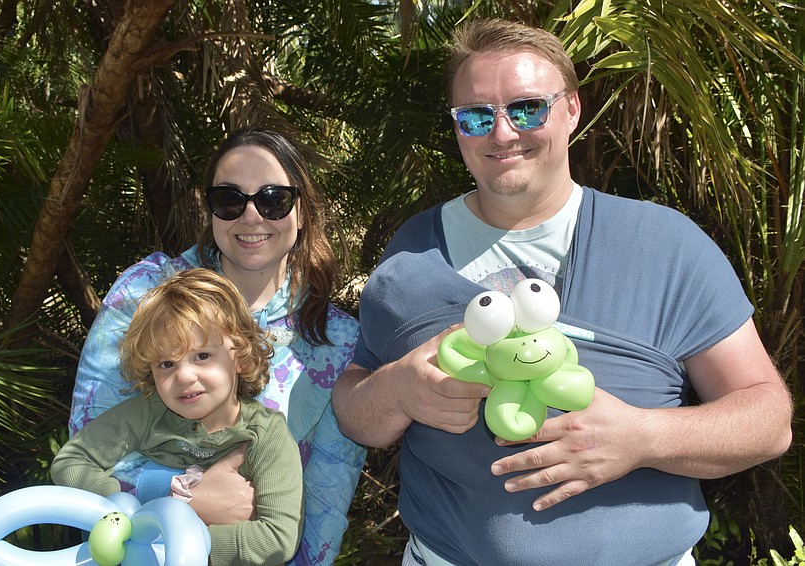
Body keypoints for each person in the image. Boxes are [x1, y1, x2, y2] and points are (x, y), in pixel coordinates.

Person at [331, 18, 792, 566]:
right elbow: (354, 408)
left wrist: (642, 437)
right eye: (476, 116)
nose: (502, 134)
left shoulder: (665, 244)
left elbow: (768, 420)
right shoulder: (412, 253)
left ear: (571, 109)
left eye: (527, 108)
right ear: (456, 128)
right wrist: (398, 390)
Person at [68, 127, 365, 566]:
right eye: (230, 199)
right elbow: (85, 443)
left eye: (272, 199)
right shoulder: (146, 292)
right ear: (210, 210)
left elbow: (327, 492)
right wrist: (181, 494)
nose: (250, 217)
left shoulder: (337, 340)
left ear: (302, 211)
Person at [52, 268, 304, 565]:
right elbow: (72, 461)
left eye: (202, 356)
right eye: (167, 364)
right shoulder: (147, 412)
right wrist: (119, 508)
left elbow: (280, 539)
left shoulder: (265, 434)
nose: (184, 376)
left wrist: (187, 540)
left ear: (239, 355)